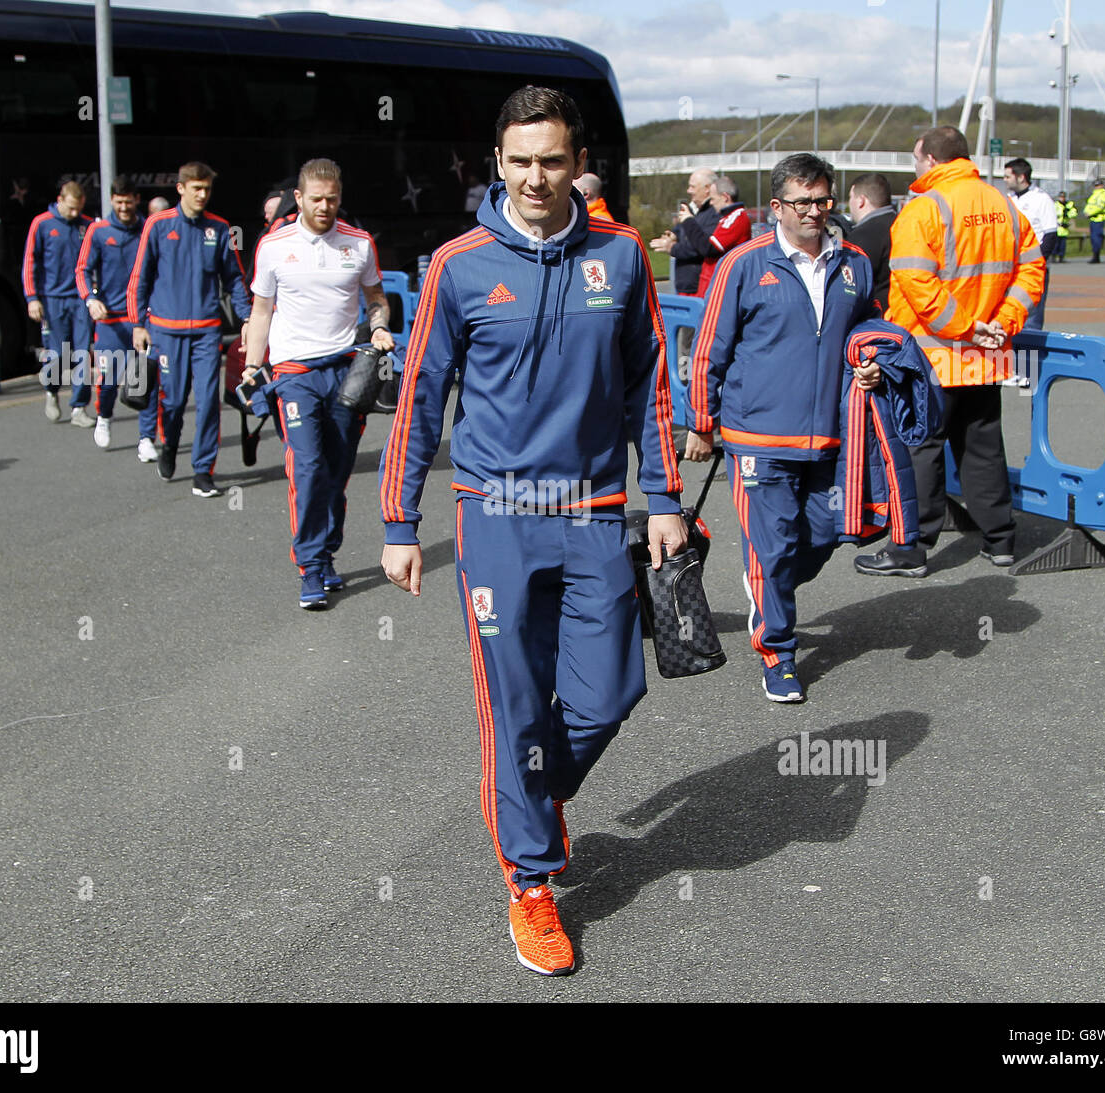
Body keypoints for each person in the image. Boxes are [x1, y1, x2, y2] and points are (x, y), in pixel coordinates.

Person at [379, 85, 686, 976]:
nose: (536, 177)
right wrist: (400, 520)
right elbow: (419, 399)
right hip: (496, 517)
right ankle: (532, 882)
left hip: (593, 511)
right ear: (497, 163)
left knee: (608, 692)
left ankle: (531, 792)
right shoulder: (459, 264)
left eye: (551, 160)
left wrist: (661, 495)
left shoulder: (623, 256)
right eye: (519, 161)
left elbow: (649, 386)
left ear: (576, 162)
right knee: (515, 705)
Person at [685, 153, 877, 703]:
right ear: (776, 208)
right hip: (758, 440)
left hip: (832, 436)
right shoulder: (743, 265)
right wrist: (701, 423)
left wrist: (874, 360)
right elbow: (708, 353)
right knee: (771, 550)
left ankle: (769, 587)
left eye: (823, 200)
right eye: (803, 202)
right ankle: (778, 653)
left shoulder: (855, 264)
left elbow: (872, 327)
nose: (815, 211)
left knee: (824, 534)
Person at [855, 126, 1044, 578]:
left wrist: (964, 327)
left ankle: (912, 548)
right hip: (986, 354)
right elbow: (1032, 268)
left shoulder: (923, 210)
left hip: (932, 354)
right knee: (982, 447)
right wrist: (1001, 323)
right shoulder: (1003, 204)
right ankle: (1000, 540)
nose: (915, 168)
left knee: (921, 448)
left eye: (917, 159)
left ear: (933, 160)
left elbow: (918, 286)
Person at [242, 158, 394, 609]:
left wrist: (380, 325)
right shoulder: (274, 245)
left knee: (336, 470)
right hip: (295, 373)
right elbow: (262, 310)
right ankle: (309, 566)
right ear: (300, 198)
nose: (325, 207)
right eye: (316, 199)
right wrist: (254, 365)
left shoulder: (360, 244)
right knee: (307, 467)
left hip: (347, 372)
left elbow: (375, 297)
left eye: (332, 199)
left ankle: (327, 554)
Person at [127, 162, 251, 497]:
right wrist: (138, 324)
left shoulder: (220, 228)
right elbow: (140, 278)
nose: (202, 195)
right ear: (180, 189)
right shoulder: (157, 225)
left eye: (207, 189)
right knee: (174, 401)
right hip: (166, 331)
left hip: (207, 332)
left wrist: (247, 318)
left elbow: (234, 280)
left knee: (209, 401)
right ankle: (168, 447)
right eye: (196, 188)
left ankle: (202, 472)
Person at [75, 176, 156, 457]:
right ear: (112, 200)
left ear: (136, 200)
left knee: (144, 380)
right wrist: (91, 299)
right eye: (119, 201)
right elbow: (82, 269)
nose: (124, 207)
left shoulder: (148, 228)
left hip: (143, 318)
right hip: (110, 320)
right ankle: (104, 418)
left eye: (128, 201)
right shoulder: (98, 231)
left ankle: (146, 438)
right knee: (108, 378)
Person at [23, 181, 91, 425]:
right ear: (60, 200)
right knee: (57, 355)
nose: (75, 214)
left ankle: (79, 408)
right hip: (52, 300)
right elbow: (30, 262)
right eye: (71, 208)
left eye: (78, 209)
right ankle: (51, 391)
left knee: (82, 353)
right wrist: (32, 298)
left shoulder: (87, 225)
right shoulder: (41, 224)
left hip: (81, 299)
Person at [1002, 158, 1057, 344]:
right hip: (1009, 267)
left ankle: (1031, 365)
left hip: (1031, 267)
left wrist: (1036, 263)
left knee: (1031, 317)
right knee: (1009, 314)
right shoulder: (1008, 200)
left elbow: (1050, 235)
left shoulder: (1041, 200)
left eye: (1008, 176)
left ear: (1021, 177)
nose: (1005, 180)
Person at [648, 168, 717, 296]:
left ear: (707, 188)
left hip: (700, 286)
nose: (688, 191)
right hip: (685, 285)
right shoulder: (694, 209)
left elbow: (701, 246)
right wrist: (674, 235)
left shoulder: (714, 213)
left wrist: (671, 247)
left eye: (692, 187)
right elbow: (684, 229)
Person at [846, 172, 897, 313]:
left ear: (861, 200)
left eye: (851, 198)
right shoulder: (903, 225)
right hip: (902, 314)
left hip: (876, 320)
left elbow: (850, 287)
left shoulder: (864, 235)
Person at [1084, 179, 1105, 264]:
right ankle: (1095, 255)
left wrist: (1090, 213)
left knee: (1096, 238)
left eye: (1098, 185)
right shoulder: (1094, 194)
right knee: (1093, 238)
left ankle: (1096, 256)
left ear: (1102, 185)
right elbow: (1089, 205)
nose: (1097, 187)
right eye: (1095, 186)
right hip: (1092, 219)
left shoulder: (1103, 194)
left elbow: (1100, 206)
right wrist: (1086, 212)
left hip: (1098, 218)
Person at [1054, 191, 1077, 262]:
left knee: (1063, 244)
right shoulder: (1055, 204)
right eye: (1061, 197)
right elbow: (1054, 214)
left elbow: (1074, 212)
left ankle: (1061, 257)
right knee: (1055, 244)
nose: (1062, 199)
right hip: (1057, 227)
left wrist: (1067, 214)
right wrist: (1062, 213)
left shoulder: (1069, 205)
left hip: (1064, 228)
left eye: (1063, 197)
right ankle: (1053, 256)